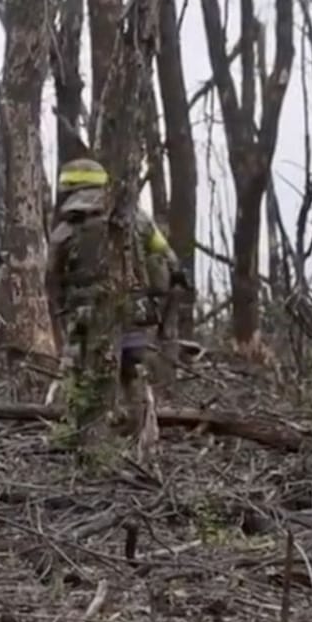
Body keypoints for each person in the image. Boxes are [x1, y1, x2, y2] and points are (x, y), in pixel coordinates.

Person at [45, 158, 189, 434]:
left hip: (85, 318)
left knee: (78, 375)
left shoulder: (65, 230)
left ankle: (78, 433)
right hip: (135, 312)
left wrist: (63, 308)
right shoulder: (136, 217)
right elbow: (167, 257)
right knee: (134, 373)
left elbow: (52, 278)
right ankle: (143, 433)